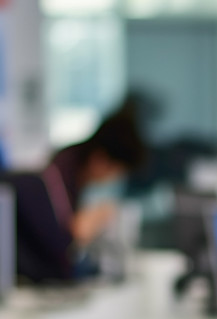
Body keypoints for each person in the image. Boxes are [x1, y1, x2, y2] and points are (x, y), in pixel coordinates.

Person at [6, 100, 146, 282]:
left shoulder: (66, 176)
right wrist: (80, 232)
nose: (115, 179)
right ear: (100, 160)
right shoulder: (47, 183)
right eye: (118, 172)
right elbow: (59, 251)